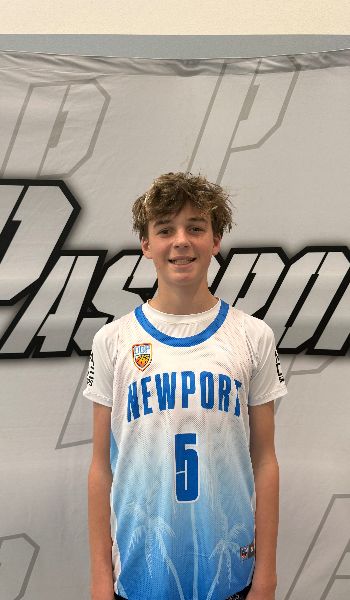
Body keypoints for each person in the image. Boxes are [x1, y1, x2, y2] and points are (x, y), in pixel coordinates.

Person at [83, 171, 287, 600]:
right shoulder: (113, 341)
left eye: (196, 228)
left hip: (229, 573)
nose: (181, 241)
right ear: (146, 244)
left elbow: (265, 460)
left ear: (216, 241)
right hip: (138, 576)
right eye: (165, 230)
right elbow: (102, 467)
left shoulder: (253, 336)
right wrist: (100, 577)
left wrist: (266, 576)